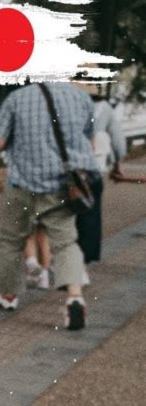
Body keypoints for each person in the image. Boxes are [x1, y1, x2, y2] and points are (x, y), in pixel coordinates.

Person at [0, 81, 94, 330]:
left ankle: (9, 296)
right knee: (66, 242)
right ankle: (75, 297)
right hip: (62, 186)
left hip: (22, 184)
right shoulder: (81, 98)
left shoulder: (16, 99)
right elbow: (88, 143)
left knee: (11, 240)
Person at [75, 88, 127, 275]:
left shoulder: (66, 101)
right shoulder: (103, 107)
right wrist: (118, 163)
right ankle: (81, 265)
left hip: (66, 168)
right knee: (90, 213)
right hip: (92, 169)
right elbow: (118, 139)